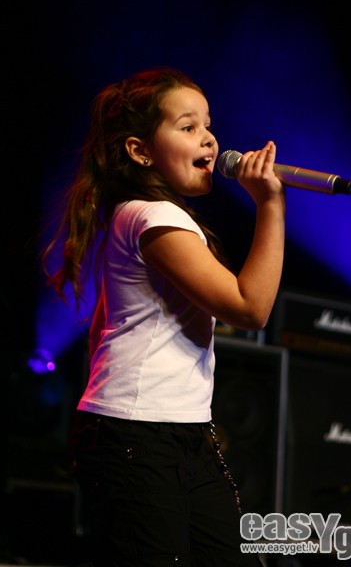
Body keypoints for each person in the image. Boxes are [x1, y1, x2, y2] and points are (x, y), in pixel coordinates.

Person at [43, 66, 285, 566]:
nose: (209, 138)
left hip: (175, 429)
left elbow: (104, 328)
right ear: (140, 151)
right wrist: (270, 204)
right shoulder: (154, 216)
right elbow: (250, 307)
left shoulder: (139, 215)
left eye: (208, 125)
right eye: (188, 126)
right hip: (137, 433)